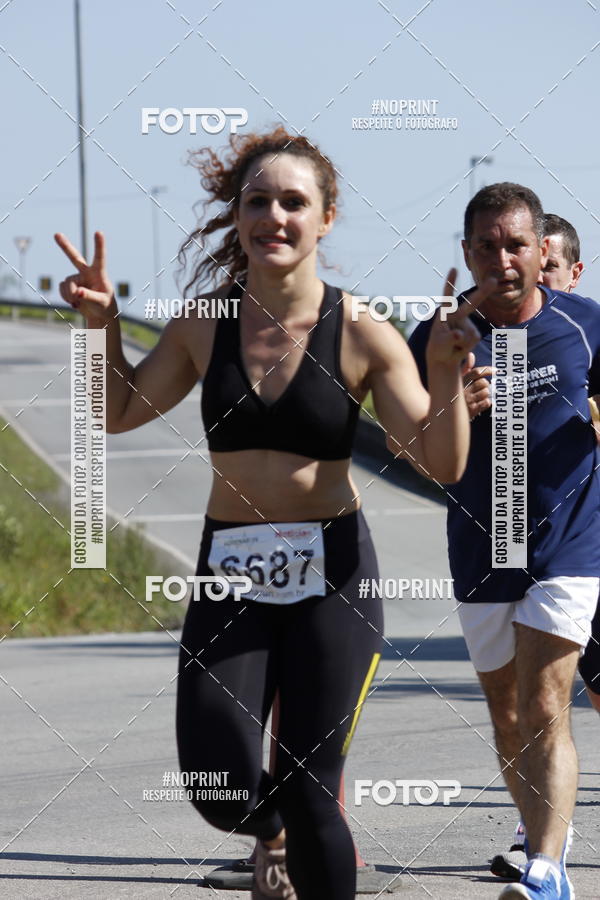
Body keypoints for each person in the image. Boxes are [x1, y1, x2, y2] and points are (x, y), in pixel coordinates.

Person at [55, 126, 486, 900]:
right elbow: (117, 410)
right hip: (230, 575)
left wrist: (448, 374)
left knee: (313, 786)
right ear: (238, 216)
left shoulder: (361, 331)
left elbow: (443, 462)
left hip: (335, 579)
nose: (275, 217)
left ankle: (301, 826)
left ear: (326, 219)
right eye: (259, 201)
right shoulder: (203, 322)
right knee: (217, 785)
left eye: (295, 202)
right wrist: (100, 327)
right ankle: (271, 828)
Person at [408, 184, 600, 900]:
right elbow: (410, 452)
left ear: (542, 249)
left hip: (570, 546)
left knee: (547, 701)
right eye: (485, 247)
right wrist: (452, 403)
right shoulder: (437, 336)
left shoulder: (586, 325)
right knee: (508, 713)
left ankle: (549, 870)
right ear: (466, 253)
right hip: (483, 546)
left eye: (516, 244)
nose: (502, 260)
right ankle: (539, 835)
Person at [483, 213, 600, 883]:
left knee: (576, 697)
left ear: (571, 273)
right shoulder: (496, 340)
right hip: (515, 542)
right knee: (525, 705)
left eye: (550, 267)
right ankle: (540, 835)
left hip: (589, 536)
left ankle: (546, 851)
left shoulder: (586, 330)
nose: (535, 277)